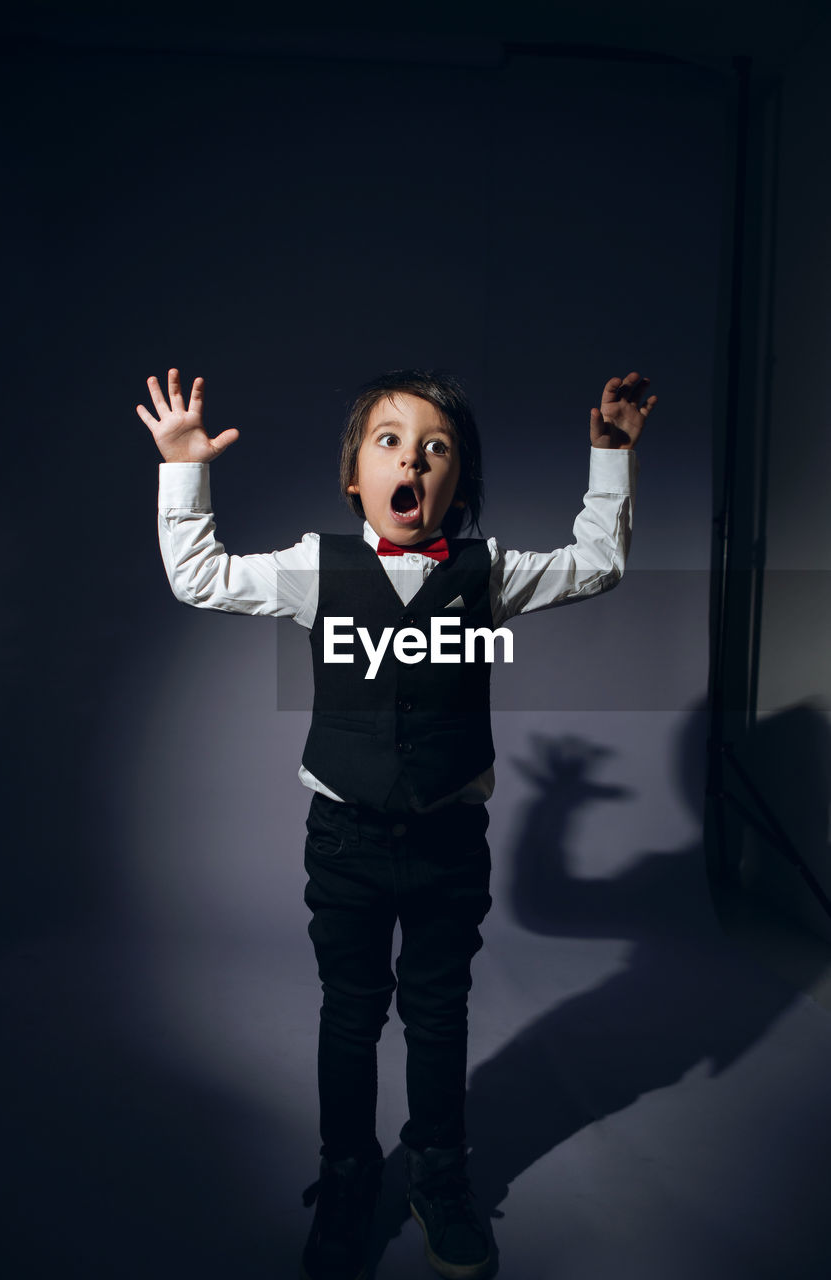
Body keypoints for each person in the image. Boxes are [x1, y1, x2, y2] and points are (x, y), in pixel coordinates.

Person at [138, 367, 656, 1280]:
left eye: (435, 447)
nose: (411, 457)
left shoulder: (486, 575)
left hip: (451, 841)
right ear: (354, 478)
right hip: (344, 841)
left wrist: (607, 456)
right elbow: (198, 576)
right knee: (349, 1015)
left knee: (437, 1014)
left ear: (457, 486)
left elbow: (598, 563)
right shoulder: (316, 569)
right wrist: (184, 469)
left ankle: (438, 1174)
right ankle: (346, 1175)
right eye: (388, 440)